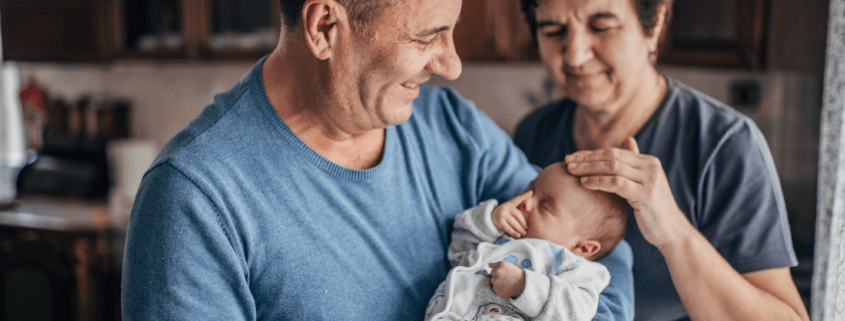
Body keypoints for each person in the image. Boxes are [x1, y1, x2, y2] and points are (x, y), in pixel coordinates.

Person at [121, 0, 636, 320]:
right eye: (426, 35)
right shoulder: (195, 199)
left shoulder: (452, 128)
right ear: (325, 26)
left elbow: (594, 254)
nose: (451, 64)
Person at [513, 0, 810, 320]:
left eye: (601, 26)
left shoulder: (724, 144)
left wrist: (672, 229)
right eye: (554, 31)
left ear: (654, 26)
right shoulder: (535, 132)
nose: (575, 54)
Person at [426, 162, 628, 321]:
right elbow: (457, 256)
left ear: (583, 247)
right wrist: (490, 221)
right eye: (529, 189)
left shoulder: (578, 269)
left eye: (545, 207)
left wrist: (524, 286)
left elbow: (576, 314)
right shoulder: (500, 236)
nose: (525, 201)